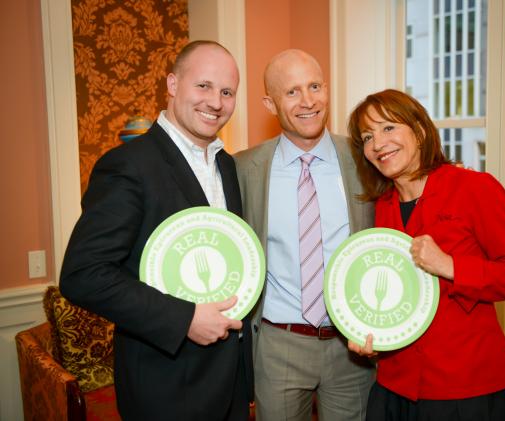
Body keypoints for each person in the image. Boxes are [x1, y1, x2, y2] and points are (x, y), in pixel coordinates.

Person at [60, 40, 252, 420]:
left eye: (227, 92)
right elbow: (83, 274)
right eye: (204, 85)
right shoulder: (128, 165)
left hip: (228, 383)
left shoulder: (226, 166)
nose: (215, 102)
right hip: (167, 388)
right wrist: (185, 319)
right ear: (173, 84)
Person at [346, 89, 505, 421]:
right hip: (393, 384)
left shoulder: (474, 188)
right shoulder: (381, 207)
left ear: (420, 131)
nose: (378, 143)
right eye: (367, 136)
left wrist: (450, 265)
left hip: (464, 387)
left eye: (388, 127)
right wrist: (370, 336)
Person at [234, 49, 375, 421]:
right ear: (270, 103)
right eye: (292, 91)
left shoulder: (365, 159)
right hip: (278, 345)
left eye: (314, 86)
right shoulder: (243, 168)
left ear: (326, 89)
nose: (308, 101)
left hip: (352, 348)